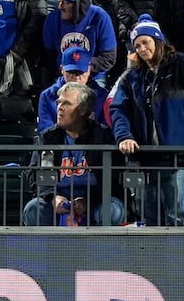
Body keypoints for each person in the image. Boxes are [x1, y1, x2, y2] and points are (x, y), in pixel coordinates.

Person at [109, 12, 184, 226]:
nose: (141, 49)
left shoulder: (181, 65)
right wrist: (124, 136)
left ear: (158, 41)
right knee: (148, 219)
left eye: (145, 42)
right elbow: (118, 109)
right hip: (146, 158)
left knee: (176, 217)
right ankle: (150, 260)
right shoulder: (132, 78)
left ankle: (176, 259)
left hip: (177, 157)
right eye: (137, 45)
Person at [21, 83, 126, 227]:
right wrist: (52, 197)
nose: (60, 108)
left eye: (67, 103)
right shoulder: (48, 137)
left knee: (112, 209)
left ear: (83, 110)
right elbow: (33, 174)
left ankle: (102, 249)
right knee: (34, 208)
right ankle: (45, 250)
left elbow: (114, 179)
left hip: (96, 200)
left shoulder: (103, 136)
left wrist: (88, 201)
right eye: (59, 102)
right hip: (58, 199)